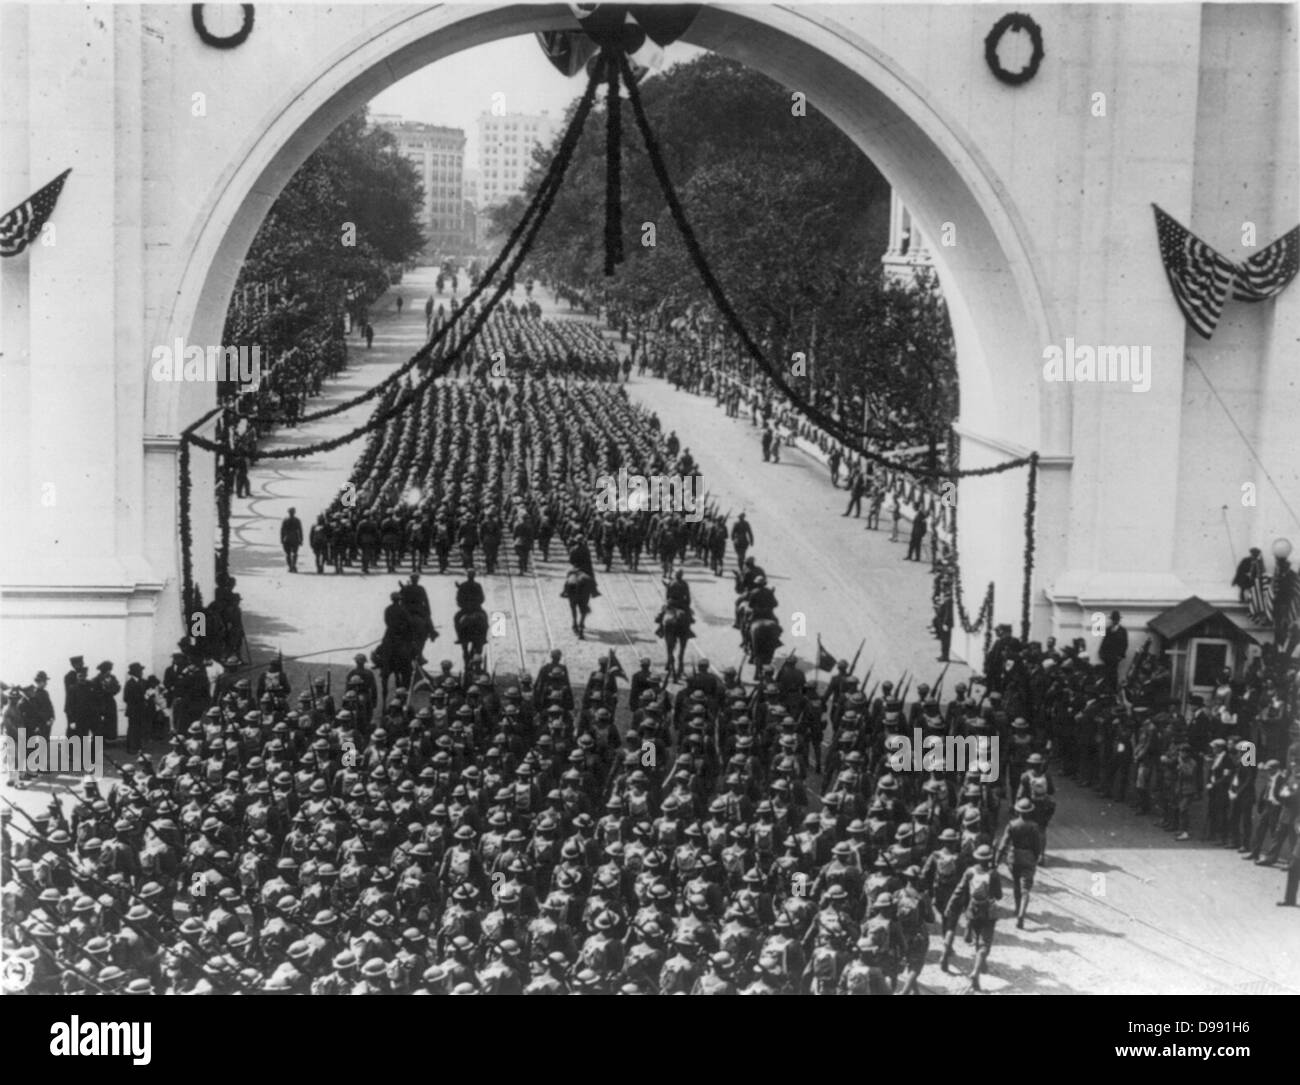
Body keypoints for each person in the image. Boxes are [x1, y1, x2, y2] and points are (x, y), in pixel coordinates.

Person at [1099, 610, 1128, 692]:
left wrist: (1120, 656)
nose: (1115, 621)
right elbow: (1104, 642)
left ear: (1119, 620)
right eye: (1113, 619)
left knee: (1114, 674)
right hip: (1107, 656)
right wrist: (1101, 653)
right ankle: (1106, 691)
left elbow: (1125, 644)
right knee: (1106, 674)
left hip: (1115, 657)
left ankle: (1113, 691)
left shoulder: (1123, 631)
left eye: (1116, 619)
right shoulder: (1108, 630)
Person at [280, 508, 304, 573]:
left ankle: (290, 566)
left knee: (288, 554)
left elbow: (282, 530)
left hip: (287, 538)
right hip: (295, 538)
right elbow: (300, 530)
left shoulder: (285, 520)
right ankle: (293, 565)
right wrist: (301, 539)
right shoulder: (297, 520)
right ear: (294, 512)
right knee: (295, 553)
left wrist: (282, 539)